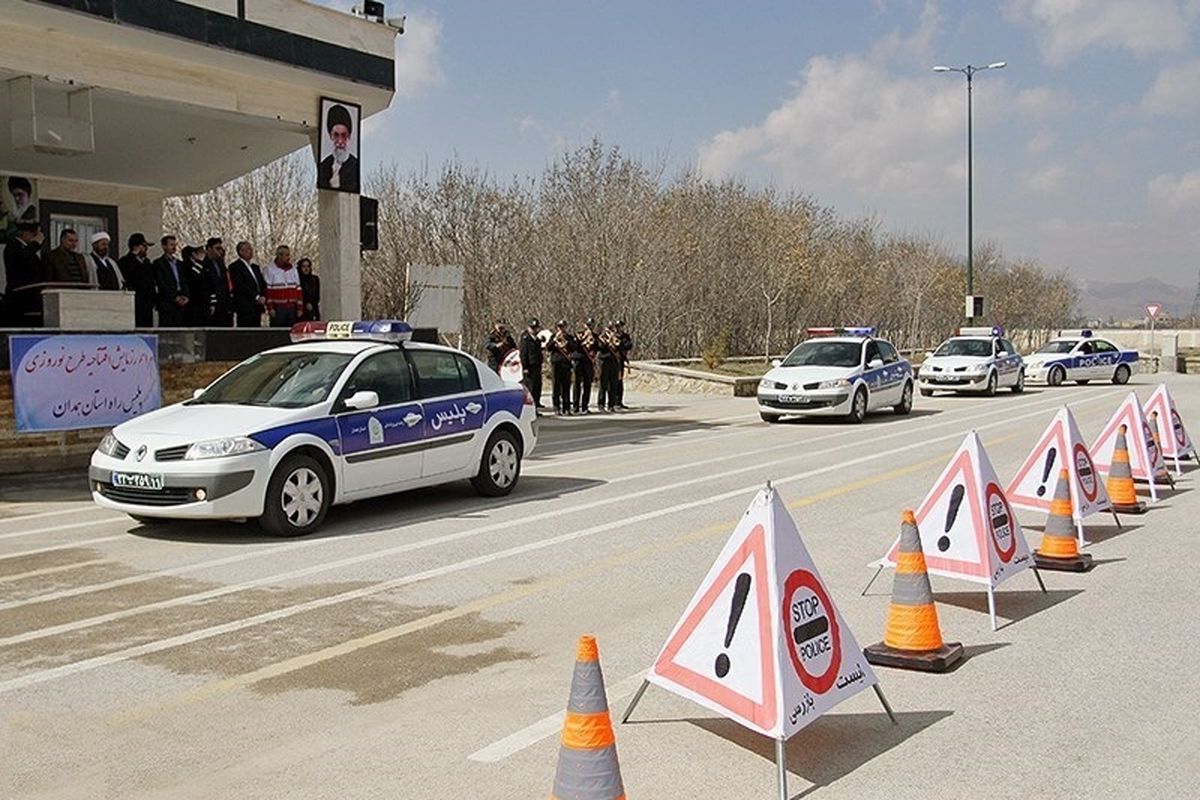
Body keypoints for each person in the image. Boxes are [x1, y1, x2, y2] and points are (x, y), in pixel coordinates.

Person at [2, 220, 44, 326]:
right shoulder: (13, 246)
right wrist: (35, 243)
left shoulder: (28, 250)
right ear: (25, 233)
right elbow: (23, 258)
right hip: (18, 298)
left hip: (32, 297)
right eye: (34, 234)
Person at [317, 103, 360, 193]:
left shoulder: (355, 165)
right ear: (330, 136)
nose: (340, 141)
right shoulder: (324, 165)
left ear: (349, 136)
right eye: (336, 135)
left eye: (343, 135)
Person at [119, 233, 157, 327]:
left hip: (147, 304)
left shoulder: (147, 262)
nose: (146, 249)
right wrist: (133, 256)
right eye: (144, 246)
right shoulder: (125, 261)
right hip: (135, 303)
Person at [228, 241, 266, 328]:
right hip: (245, 305)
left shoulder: (255, 267)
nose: (251, 251)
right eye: (248, 249)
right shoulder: (235, 267)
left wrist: (263, 295)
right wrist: (256, 296)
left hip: (257, 306)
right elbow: (241, 285)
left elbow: (261, 282)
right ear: (241, 251)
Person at [263, 244, 303, 327]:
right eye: (287, 255)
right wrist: (270, 308)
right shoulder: (269, 269)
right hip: (278, 308)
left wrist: (300, 308)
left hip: (292, 308)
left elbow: (298, 289)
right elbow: (267, 291)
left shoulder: (293, 269)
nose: (289, 257)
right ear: (279, 256)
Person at [153, 234, 189, 327]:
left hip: (180, 301)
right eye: (171, 245)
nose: (174, 247)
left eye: (175, 245)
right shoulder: (159, 263)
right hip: (167, 303)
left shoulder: (179, 264)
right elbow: (161, 283)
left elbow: (183, 280)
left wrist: (185, 295)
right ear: (164, 246)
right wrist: (174, 297)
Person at [202, 237, 233, 326]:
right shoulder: (204, 264)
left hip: (224, 303)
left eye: (220, 248)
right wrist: (211, 302)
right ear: (209, 249)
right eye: (217, 248)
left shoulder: (220, 263)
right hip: (212, 304)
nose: (220, 251)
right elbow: (206, 285)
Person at [548, 319, 576, 415]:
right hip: (556, 363)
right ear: (557, 328)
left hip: (566, 364)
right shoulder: (553, 336)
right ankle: (556, 407)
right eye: (560, 327)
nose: (562, 329)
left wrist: (567, 341)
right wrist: (555, 339)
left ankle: (566, 407)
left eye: (563, 327)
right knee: (556, 386)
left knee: (566, 387)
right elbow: (548, 348)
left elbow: (574, 348)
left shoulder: (569, 337)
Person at [571, 318, 597, 414]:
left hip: (588, 362)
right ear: (584, 325)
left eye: (591, 325)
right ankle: (575, 406)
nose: (590, 327)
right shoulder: (578, 334)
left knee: (587, 384)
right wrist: (582, 339)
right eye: (588, 325)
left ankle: (585, 406)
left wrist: (593, 343)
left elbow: (597, 348)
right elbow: (574, 347)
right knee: (577, 384)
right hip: (578, 360)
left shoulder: (594, 336)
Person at [517, 318, 545, 408]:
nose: (534, 330)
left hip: (537, 365)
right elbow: (523, 354)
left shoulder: (536, 338)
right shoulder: (525, 338)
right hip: (529, 367)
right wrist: (525, 367)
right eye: (532, 328)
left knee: (537, 386)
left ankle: (536, 405)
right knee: (530, 388)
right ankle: (529, 407)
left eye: (536, 328)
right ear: (528, 328)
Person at [182, 245, 211, 326]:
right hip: (193, 303)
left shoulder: (204, 265)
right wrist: (199, 262)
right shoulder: (185, 265)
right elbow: (193, 277)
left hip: (203, 303)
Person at [597, 323, 621, 413]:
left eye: (613, 328)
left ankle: (611, 405)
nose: (612, 330)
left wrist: (615, 340)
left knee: (613, 384)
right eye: (610, 328)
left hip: (614, 362)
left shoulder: (617, 337)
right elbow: (601, 348)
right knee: (603, 384)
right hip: (604, 361)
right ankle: (601, 404)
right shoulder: (602, 337)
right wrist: (608, 340)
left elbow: (620, 347)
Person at [614, 320, 634, 409]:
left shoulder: (625, 336)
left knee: (619, 380)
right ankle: (612, 401)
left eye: (620, 326)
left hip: (620, 359)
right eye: (617, 326)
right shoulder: (612, 336)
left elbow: (629, 345)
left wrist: (621, 343)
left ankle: (619, 401)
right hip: (612, 361)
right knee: (611, 382)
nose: (618, 328)